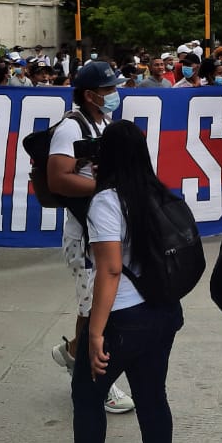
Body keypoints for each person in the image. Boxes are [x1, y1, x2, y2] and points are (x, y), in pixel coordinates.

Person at [72, 120, 184, 443]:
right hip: (161, 312)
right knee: (153, 400)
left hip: (122, 317)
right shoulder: (157, 193)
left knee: (87, 398)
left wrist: (94, 333)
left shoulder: (106, 200)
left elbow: (110, 270)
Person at [47, 60, 135, 414]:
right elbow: (58, 179)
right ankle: (97, 381)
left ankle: (72, 353)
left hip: (102, 231)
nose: (114, 95)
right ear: (89, 95)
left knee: (94, 309)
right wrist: (105, 185)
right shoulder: (71, 128)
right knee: (100, 308)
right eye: (108, 90)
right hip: (84, 236)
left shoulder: (102, 122)